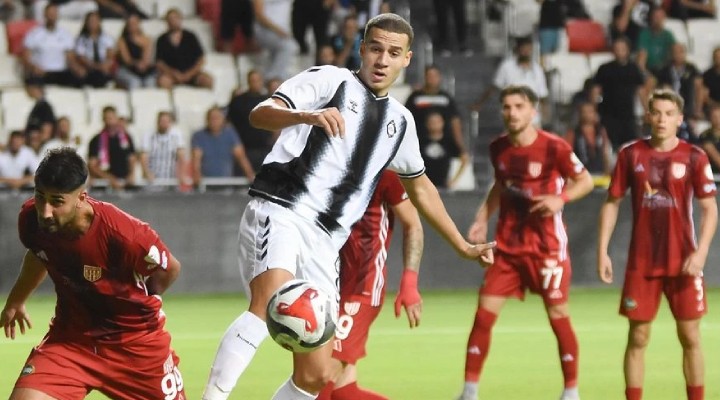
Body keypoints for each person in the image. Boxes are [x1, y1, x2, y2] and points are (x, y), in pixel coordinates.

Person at [202, 13, 495, 400]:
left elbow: (422, 189)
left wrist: (462, 245)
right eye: (375, 49)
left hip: (327, 244)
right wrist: (306, 115)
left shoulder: (401, 123)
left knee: (316, 374)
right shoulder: (330, 80)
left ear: (407, 59)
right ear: (362, 48)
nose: (382, 60)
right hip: (283, 208)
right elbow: (260, 114)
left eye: (393, 53)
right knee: (266, 303)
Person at [0, 147, 186, 400]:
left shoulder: (126, 235)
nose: (45, 211)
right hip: (71, 343)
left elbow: (170, 269)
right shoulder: (31, 220)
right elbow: (39, 254)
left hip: (135, 347)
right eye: (40, 196)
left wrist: (142, 300)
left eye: (57, 201)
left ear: (81, 197)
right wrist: (16, 301)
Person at [456, 85, 594, 400]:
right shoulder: (499, 148)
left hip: (547, 249)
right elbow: (500, 185)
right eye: (507, 107)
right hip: (508, 248)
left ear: (534, 111)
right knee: (483, 315)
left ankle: (571, 391)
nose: (512, 113)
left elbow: (585, 181)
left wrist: (560, 198)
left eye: (519, 106)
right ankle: (469, 392)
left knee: (558, 317)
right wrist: (481, 218)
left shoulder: (554, 147)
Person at [597, 89, 718, 400]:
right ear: (648, 116)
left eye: (669, 114)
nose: (662, 119)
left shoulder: (695, 156)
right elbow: (611, 203)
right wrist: (602, 250)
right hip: (643, 262)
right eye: (657, 113)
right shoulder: (630, 154)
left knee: (690, 336)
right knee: (638, 336)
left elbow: (709, 208)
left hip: (684, 260)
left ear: (679, 119)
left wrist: (702, 252)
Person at [316, 170, 424, 400]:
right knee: (343, 393)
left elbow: (413, 224)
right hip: (326, 286)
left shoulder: (385, 172)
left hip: (362, 286)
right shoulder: (325, 164)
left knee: (320, 377)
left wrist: (409, 281)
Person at [405, 65, 469, 175]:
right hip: (420, 142)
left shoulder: (446, 98)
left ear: (439, 77)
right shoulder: (415, 97)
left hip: (444, 143)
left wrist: (460, 144)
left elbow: (455, 122)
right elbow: (406, 120)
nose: (432, 79)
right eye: (429, 76)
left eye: (435, 76)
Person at [594, 36, 647, 149]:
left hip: (628, 115)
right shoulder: (604, 68)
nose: (619, 51)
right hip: (608, 114)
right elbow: (596, 90)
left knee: (630, 146)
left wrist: (647, 110)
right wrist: (594, 109)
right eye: (617, 48)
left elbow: (641, 91)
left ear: (627, 50)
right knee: (610, 146)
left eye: (622, 48)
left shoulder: (633, 69)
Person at [191, 106, 256, 185]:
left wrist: (250, 174)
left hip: (225, 181)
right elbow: (196, 159)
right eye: (212, 118)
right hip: (206, 182)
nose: (214, 121)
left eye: (217, 118)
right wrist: (196, 174)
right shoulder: (199, 136)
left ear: (223, 120)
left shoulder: (230, 134)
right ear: (207, 119)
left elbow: (241, 157)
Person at [227, 69, 277, 172]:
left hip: (265, 149)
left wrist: (273, 140)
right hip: (244, 150)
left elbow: (277, 123)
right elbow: (229, 123)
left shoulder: (269, 101)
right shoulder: (238, 101)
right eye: (252, 80)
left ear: (261, 81)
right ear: (248, 81)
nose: (255, 83)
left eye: (257, 80)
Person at [21, 3, 77, 87]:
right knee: (32, 80)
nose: (52, 16)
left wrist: (75, 67)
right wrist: (33, 67)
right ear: (44, 15)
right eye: (50, 14)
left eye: (54, 14)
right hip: (41, 72)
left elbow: (70, 57)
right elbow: (25, 57)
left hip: (60, 72)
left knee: (80, 78)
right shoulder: (34, 34)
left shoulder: (65, 34)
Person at [155, 8, 213, 89]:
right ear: (166, 22)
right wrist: (174, 74)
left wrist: (189, 74)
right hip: (172, 75)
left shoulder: (191, 36)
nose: (173, 21)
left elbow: (201, 60)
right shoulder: (161, 39)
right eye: (170, 19)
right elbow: (159, 63)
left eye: (175, 18)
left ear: (180, 19)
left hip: (191, 74)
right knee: (163, 81)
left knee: (207, 80)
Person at [87, 106, 137, 191]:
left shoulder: (126, 138)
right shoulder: (96, 140)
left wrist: (131, 174)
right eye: (107, 118)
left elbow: (132, 158)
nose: (110, 121)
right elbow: (92, 165)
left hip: (124, 183)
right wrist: (109, 178)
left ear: (116, 118)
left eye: (112, 118)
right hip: (105, 185)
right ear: (103, 119)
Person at [252, 0, 298, 81]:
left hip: (283, 32)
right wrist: (277, 30)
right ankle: (273, 78)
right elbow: (259, 15)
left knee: (277, 56)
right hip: (266, 29)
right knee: (289, 46)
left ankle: (276, 77)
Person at [421, 112, 468, 189]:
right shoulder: (420, 141)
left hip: (443, 185)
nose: (434, 125)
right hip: (424, 185)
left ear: (442, 123)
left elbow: (464, 159)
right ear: (427, 124)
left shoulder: (448, 141)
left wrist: (454, 180)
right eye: (431, 122)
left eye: (437, 122)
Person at [565, 102, 613, 175]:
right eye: (584, 112)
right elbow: (567, 154)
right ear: (580, 114)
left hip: (600, 173)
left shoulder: (601, 131)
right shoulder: (573, 133)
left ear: (595, 113)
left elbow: (606, 152)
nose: (587, 115)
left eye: (590, 112)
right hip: (581, 174)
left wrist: (607, 170)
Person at [140, 111, 187, 185]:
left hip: (171, 179)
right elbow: (144, 156)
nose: (164, 123)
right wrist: (147, 173)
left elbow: (181, 156)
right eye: (162, 121)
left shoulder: (176, 135)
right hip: (153, 180)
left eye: (167, 121)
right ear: (157, 122)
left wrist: (181, 174)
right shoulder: (148, 135)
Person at [71, 11, 116, 88]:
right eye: (91, 21)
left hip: (103, 68)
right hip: (89, 68)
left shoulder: (107, 38)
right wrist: (95, 66)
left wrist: (104, 65)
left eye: (95, 21)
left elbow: (110, 55)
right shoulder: (81, 39)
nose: (93, 23)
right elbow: (81, 57)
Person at [116, 13, 156, 89]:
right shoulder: (122, 41)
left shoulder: (147, 39)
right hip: (127, 69)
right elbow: (127, 60)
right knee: (135, 82)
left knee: (150, 82)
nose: (133, 26)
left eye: (135, 23)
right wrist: (136, 64)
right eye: (130, 23)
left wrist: (143, 65)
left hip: (144, 69)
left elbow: (146, 58)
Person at [699, 105, 720, 173]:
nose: (718, 120)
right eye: (715, 117)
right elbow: (716, 158)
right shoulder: (706, 136)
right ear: (710, 118)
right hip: (714, 173)